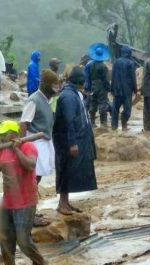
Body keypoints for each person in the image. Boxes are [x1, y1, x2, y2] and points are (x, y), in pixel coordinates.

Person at [0, 121, 49, 265]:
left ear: (13, 134)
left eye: (3, 134)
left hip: (25, 201)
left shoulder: (28, 146)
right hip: (7, 201)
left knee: (23, 241)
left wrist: (16, 149)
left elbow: (30, 165)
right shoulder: (1, 151)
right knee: (4, 240)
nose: (0, 138)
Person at [53, 66, 97, 216]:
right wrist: (72, 143)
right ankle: (62, 204)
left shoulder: (75, 94)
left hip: (77, 138)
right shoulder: (69, 97)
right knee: (66, 170)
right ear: (81, 82)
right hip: (67, 141)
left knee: (72, 171)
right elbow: (69, 121)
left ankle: (65, 202)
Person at [20, 69, 60, 226]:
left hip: (45, 142)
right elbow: (24, 123)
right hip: (35, 143)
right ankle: (29, 214)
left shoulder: (48, 100)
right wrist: (23, 146)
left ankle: (30, 211)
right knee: (32, 179)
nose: (56, 87)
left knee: (37, 179)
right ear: (45, 85)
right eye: (54, 84)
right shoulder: (34, 100)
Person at [110, 45, 137, 130]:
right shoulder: (131, 63)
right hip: (127, 90)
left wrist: (112, 88)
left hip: (117, 89)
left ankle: (114, 126)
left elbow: (113, 76)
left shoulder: (116, 62)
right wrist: (135, 89)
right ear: (129, 53)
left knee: (115, 109)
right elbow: (133, 77)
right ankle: (124, 124)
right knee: (127, 109)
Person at [87, 42, 111, 128]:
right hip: (101, 87)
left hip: (93, 86)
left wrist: (89, 87)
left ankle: (92, 122)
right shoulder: (103, 67)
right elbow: (105, 79)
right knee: (102, 104)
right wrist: (109, 88)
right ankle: (103, 123)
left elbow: (88, 77)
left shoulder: (90, 65)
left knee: (93, 103)